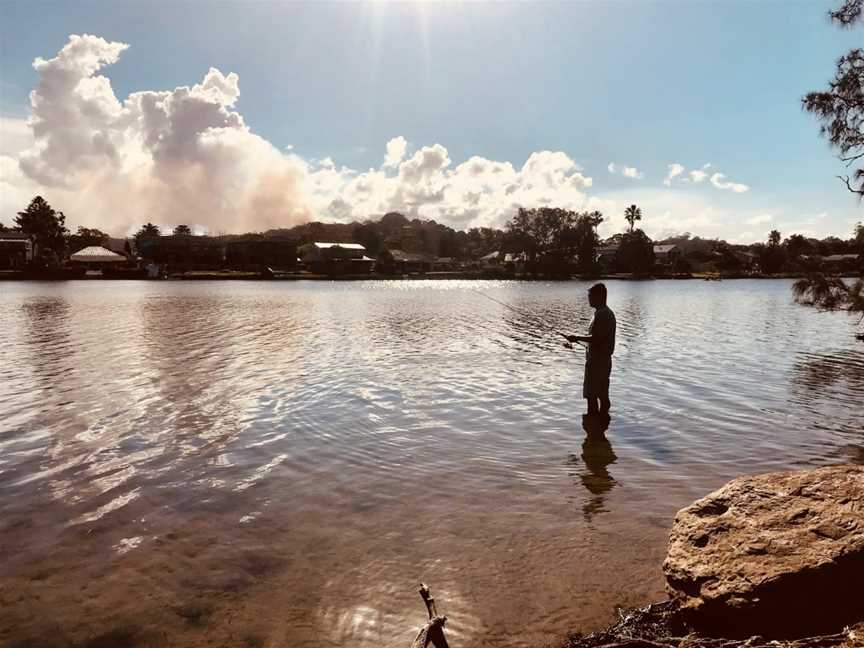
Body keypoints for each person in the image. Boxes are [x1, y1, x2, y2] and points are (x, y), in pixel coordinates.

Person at [567, 283, 616, 417]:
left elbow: (596, 338)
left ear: (599, 296)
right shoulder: (602, 312)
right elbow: (597, 339)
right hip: (601, 361)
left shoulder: (602, 314)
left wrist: (576, 337)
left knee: (592, 395)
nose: (588, 299)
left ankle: (594, 427)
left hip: (597, 363)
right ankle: (600, 426)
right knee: (602, 394)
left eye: (590, 296)